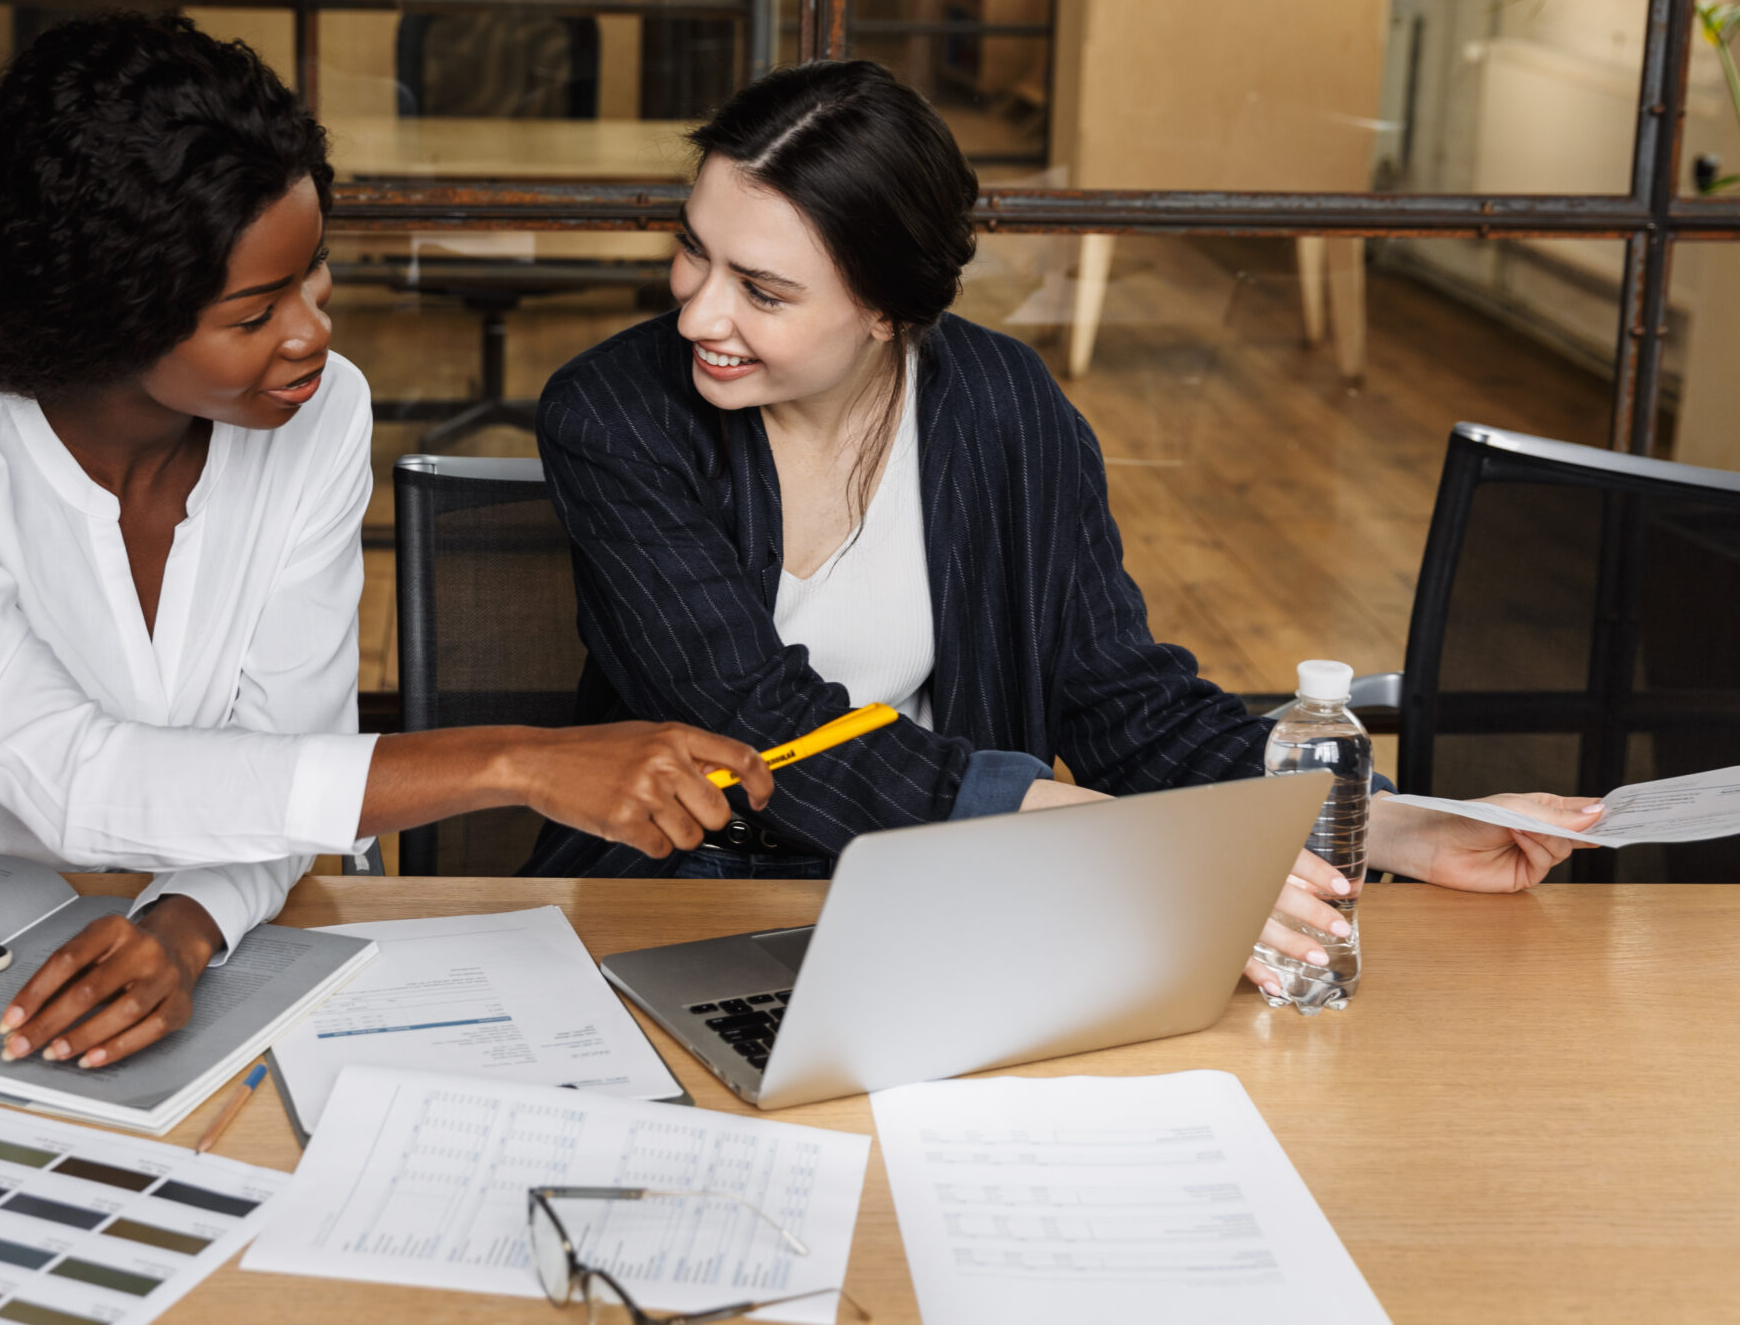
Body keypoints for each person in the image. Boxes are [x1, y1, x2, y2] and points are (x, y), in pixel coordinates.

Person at [0, 14, 772, 1069]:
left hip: (122, 931)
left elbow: (288, 755)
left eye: (313, 272)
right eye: (253, 313)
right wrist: (517, 762)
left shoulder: (321, 412)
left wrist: (183, 932)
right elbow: (75, 782)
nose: (311, 332)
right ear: (107, 317)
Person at [522, 59, 1602, 994]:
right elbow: (756, 725)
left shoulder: (1002, 403)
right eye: (693, 252)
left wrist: (1385, 821)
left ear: (885, 309)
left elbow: (1118, 697)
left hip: (957, 909)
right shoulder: (613, 415)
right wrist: (1104, 844)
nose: (698, 312)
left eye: (761, 290)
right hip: (678, 906)